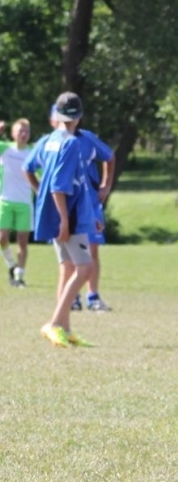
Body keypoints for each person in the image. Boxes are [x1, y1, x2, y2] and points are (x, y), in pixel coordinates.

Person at [31, 94, 99, 348]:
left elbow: (37, 173)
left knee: (70, 268)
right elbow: (60, 186)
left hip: (54, 212)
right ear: (79, 116)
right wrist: (64, 220)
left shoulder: (49, 141)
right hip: (67, 214)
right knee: (85, 268)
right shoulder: (70, 143)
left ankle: (66, 329)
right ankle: (56, 323)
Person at [76, 125, 116, 311]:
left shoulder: (87, 138)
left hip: (90, 203)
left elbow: (109, 156)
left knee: (92, 250)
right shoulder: (53, 142)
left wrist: (106, 186)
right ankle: (72, 297)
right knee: (70, 254)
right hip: (68, 203)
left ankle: (92, 296)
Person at [1, 118, 35, 286]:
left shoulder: (32, 153)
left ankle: (19, 276)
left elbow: (41, 176)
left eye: (26, 131)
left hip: (25, 203)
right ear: (13, 134)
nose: (23, 134)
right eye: (20, 131)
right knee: (2, 238)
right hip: (5, 201)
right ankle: (11, 264)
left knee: (23, 240)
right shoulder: (5, 149)